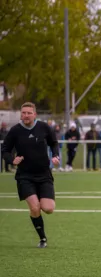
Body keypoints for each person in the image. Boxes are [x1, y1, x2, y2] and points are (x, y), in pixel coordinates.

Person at [0, 102, 60, 247]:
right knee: (34, 208)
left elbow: (54, 142)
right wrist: (12, 160)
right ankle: (43, 239)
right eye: (23, 113)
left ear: (35, 114)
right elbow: (5, 150)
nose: (26, 115)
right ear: (21, 114)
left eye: (29, 113)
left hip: (44, 174)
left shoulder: (44, 127)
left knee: (48, 209)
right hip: (25, 176)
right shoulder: (15, 131)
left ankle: (41, 197)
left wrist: (56, 155)